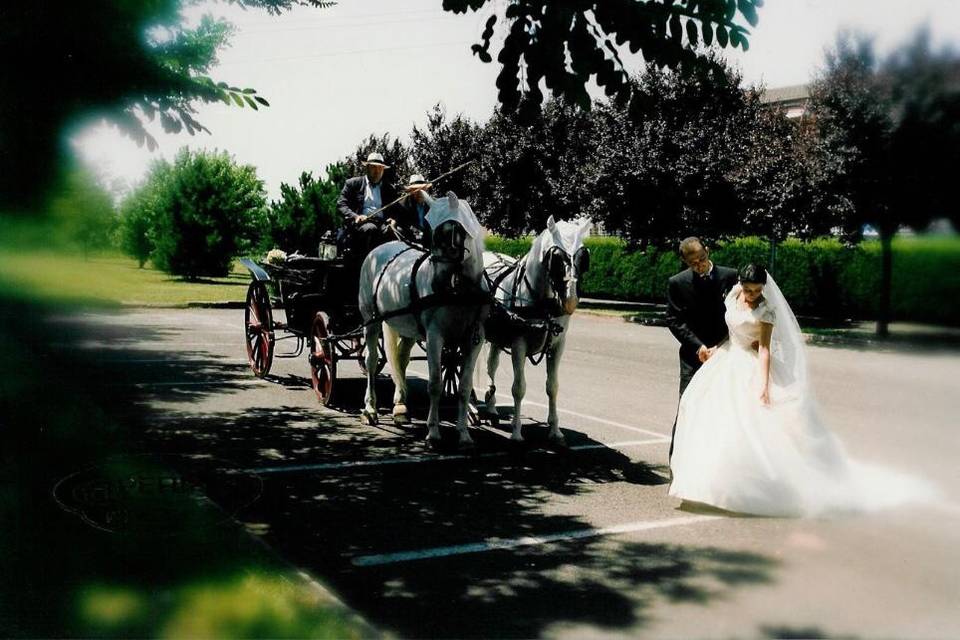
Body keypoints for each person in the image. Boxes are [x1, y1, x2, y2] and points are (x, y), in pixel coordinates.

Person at [668, 263, 936, 517]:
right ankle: (710, 484)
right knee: (712, 419)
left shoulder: (766, 311)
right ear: (741, 284)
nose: (751, 295)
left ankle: (749, 489)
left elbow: (763, 349)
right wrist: (719, 347)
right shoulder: (734, 294)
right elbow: (732, 328)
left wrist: (762, 385)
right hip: (727, 358)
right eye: (748, 289)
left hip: (750, 365)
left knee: (752, 425)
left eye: (757, 290)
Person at [665, 237, 739, 459]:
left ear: (707, 251)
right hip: (693, 356)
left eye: (702, 259)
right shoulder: (677, 283)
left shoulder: (731, 276)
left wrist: (722, 344)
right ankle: (677, 463)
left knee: (726, 407)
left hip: (726, 352)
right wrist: (699, 347)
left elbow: (739, 315)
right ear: (685, 261)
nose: (700, 265)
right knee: (688, 407)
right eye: (693, 263)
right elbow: (674, 319)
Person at [336, 152, 398, 259]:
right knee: (370, 229)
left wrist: (393, 220)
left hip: (382, 224)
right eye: (374, 168)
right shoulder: (353, 184)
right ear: (367, 168)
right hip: (359, 225)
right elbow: (341, 204)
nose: (377, 171)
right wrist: (356, 216)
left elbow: (396, 210)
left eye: (380, 168)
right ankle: (366, 266)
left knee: (398, 231)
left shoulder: (389, 189)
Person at [394, 174, 434, 246]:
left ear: (426, 190)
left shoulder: (432, 204)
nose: (420, 193)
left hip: (430, 238)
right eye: (416, 190)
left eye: (422, 189)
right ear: (410, 191)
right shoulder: (403, 205)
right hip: (412, 239)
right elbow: (404, 225)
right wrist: (419, 233)